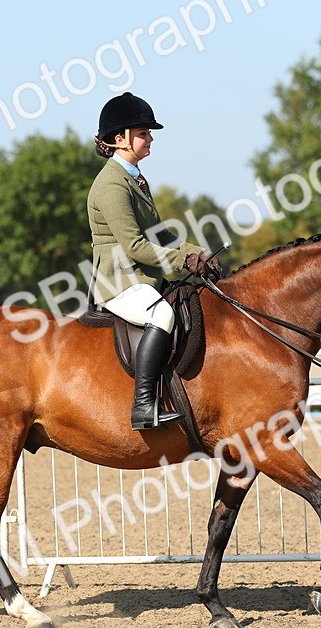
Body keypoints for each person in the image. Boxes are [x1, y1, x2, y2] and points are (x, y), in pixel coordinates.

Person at [88, 92, 222, 430]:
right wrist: (184, 261)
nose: (150, 140)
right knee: (162, 313)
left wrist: (197, 254)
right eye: (143, 133)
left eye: (150, 134)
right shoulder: (110, 185)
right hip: (119, 280)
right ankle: (144, 405)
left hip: (140, 277)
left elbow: (161, 236)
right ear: (120, 139)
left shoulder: (134, 179)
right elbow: (135, 246)